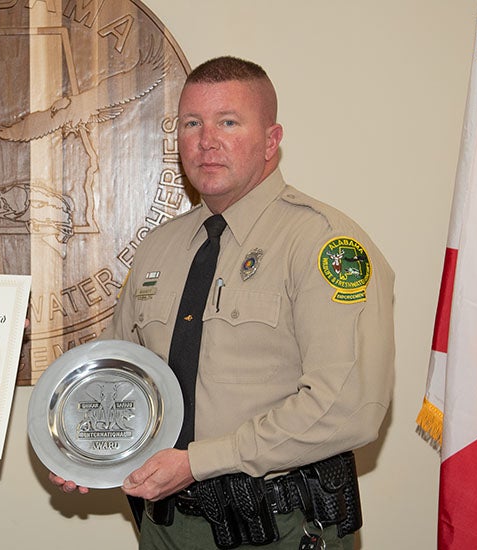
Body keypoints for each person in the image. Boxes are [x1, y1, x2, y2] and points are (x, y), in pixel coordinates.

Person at [50, 56, 395, 549]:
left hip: (279, 529)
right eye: (192, 123)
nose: (206, 140)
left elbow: (346, 408)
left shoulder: (323, 244)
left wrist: (199, 462)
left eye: (228, 122)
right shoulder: (158, 248)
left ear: (271, 141)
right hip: (166, 527)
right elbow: (121, 378)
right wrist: (84, 448)